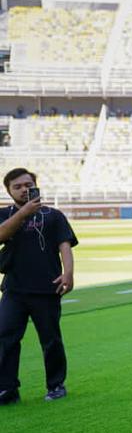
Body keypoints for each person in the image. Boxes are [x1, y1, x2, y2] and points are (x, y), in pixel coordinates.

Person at [0, 168, 77, 405]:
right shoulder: (4, 214)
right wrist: (23, 213)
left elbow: (65, 245)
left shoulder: (53, 215)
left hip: (47, 287)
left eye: (27, 185)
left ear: (35, 185)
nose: (24, 189)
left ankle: (56, 385)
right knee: (5, 337)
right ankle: (7, 388)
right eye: (18, 187)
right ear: (9, 191)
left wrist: (68, 273)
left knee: (50, 339)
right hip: (14, 289)